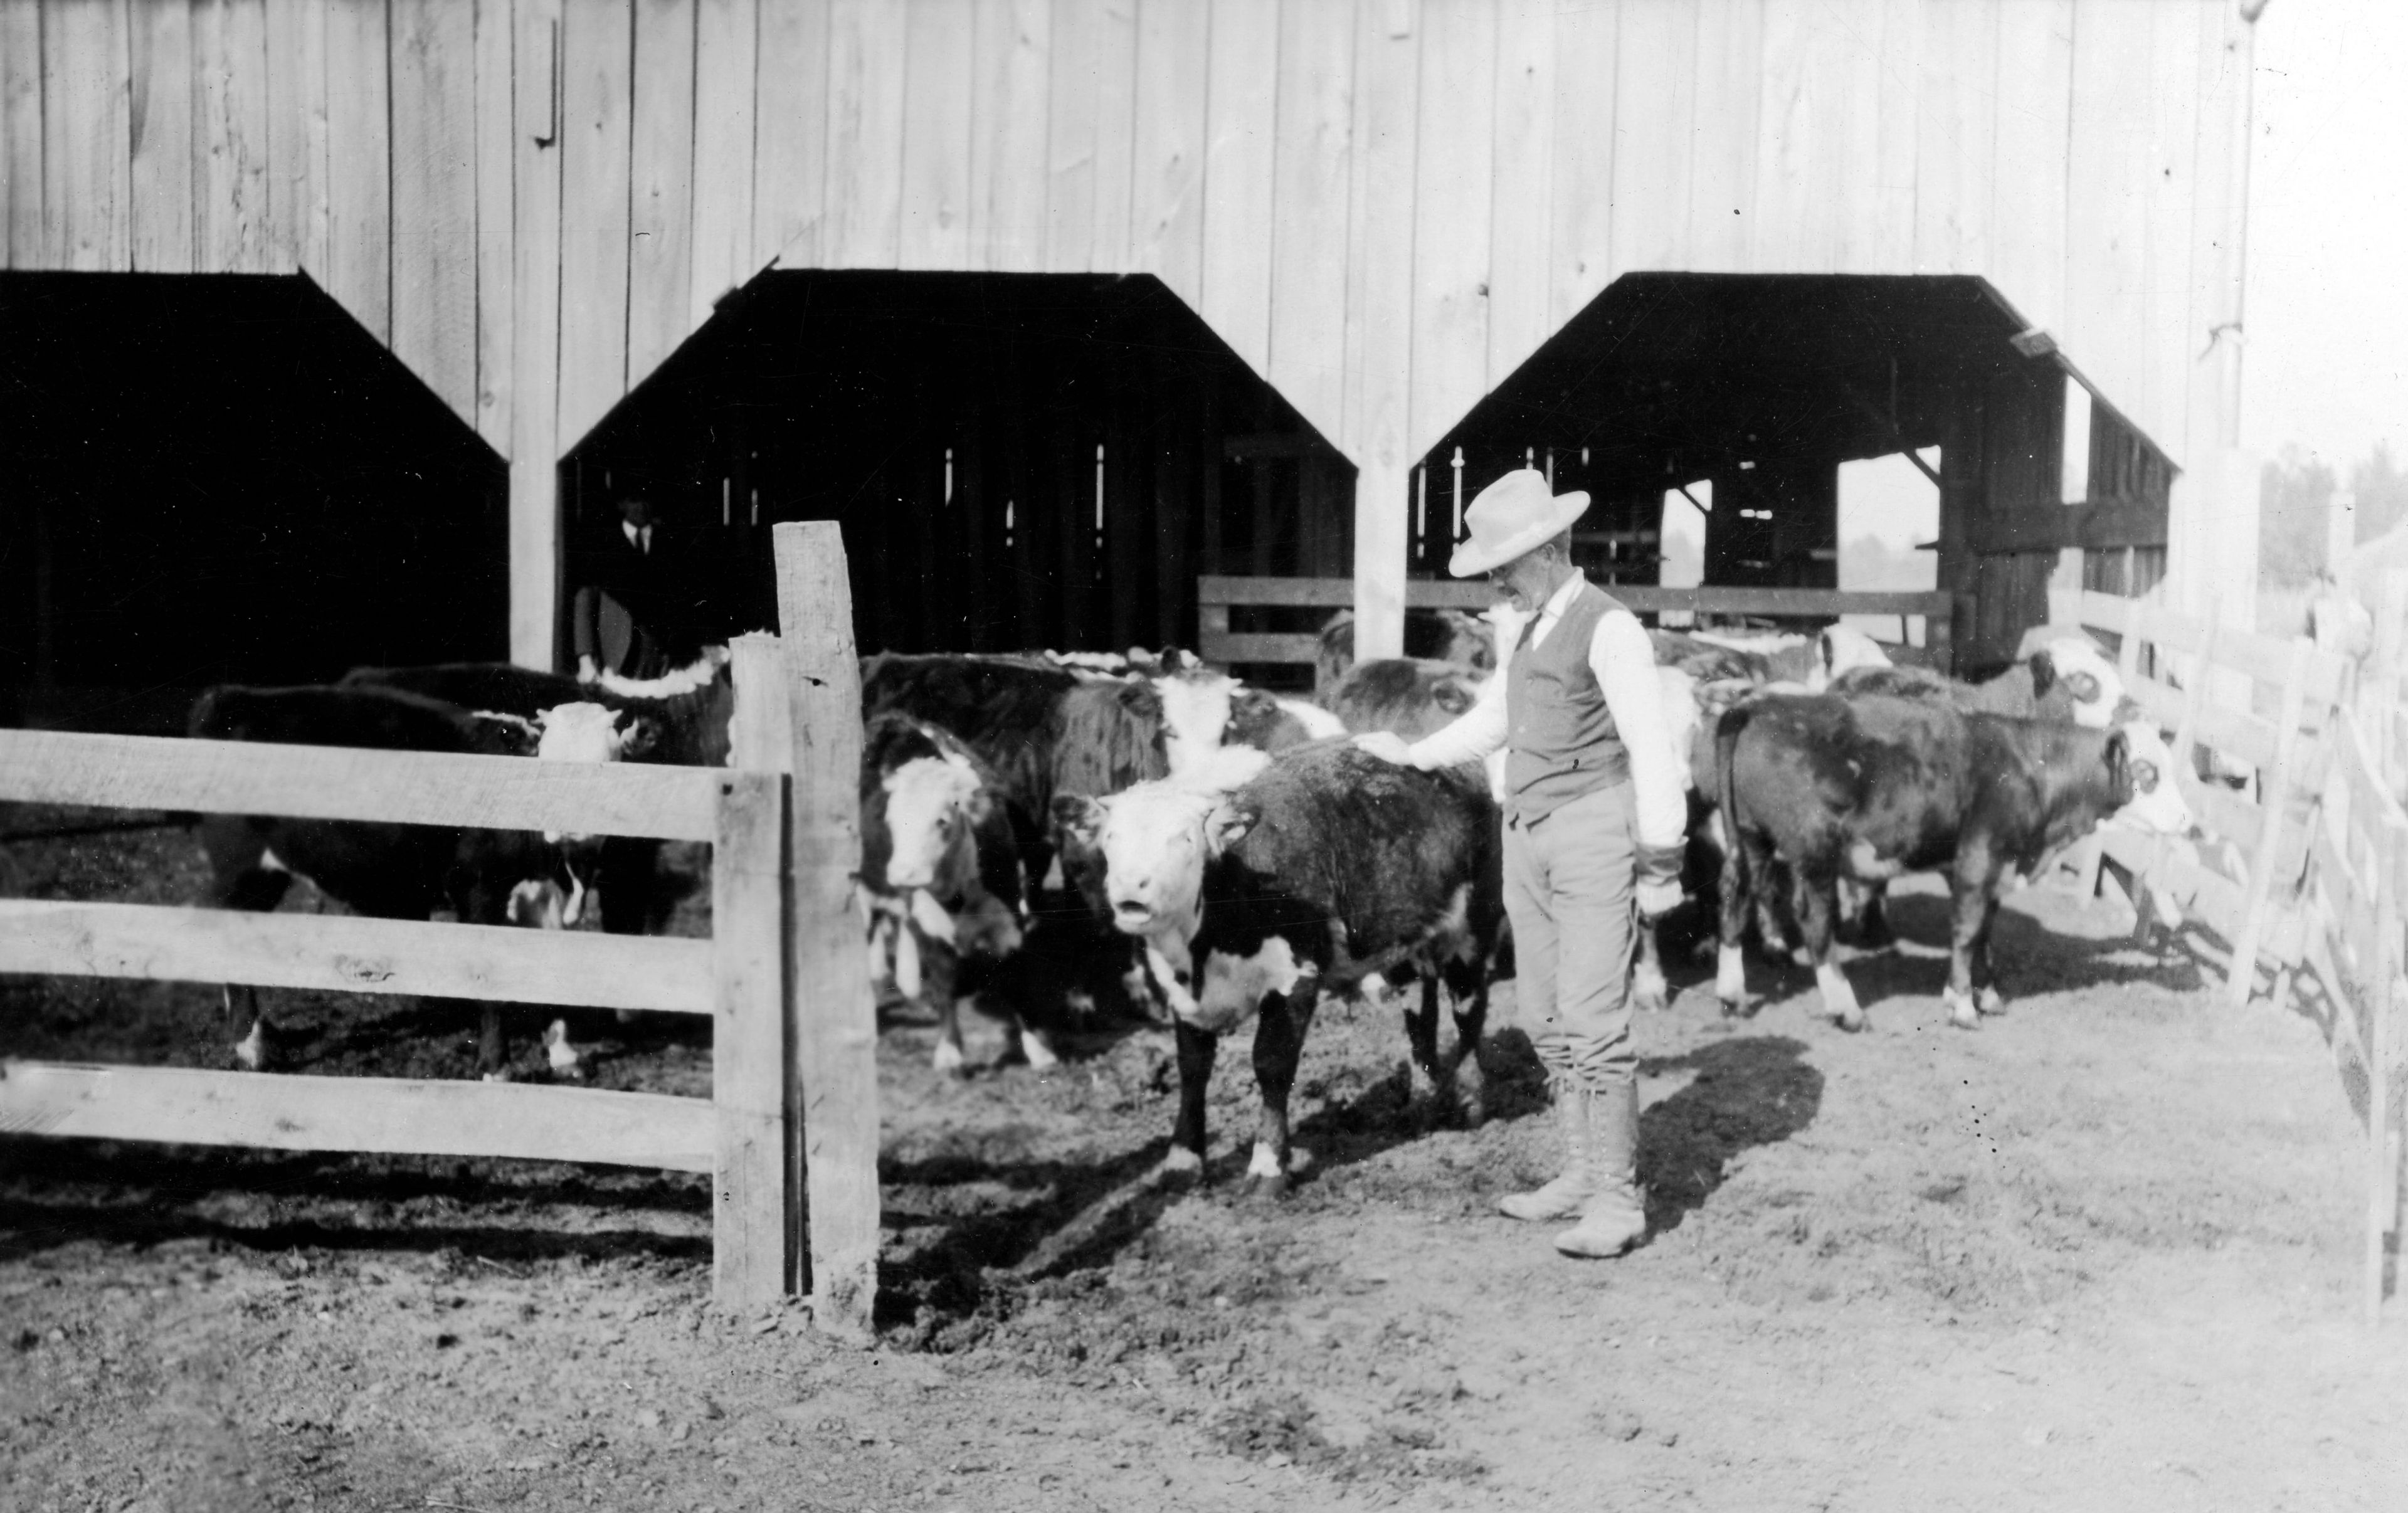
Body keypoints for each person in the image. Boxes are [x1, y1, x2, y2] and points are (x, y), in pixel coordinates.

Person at [1356, 469, 1687, 1260]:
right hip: (1528, 833)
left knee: (1594, 1017)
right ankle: (1579, 1172)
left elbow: (1651, 743)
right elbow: (1495, 722)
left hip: (1591, 829)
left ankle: (1617, 1198)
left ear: (1543, 550)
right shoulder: (1530, 630)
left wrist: (1661, 857)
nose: (1495, 578)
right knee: (1541, 1012)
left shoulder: (1610, 628)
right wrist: (1410, 754)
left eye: (1502, 563)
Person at [573, 488, 683, 682]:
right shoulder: (604, 544)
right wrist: (585, 660)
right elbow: (585, 599)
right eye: (634, 500)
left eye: (646, 500)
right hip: (615, 657)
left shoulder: (670, 543)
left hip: (659, 659)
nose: (640, 507)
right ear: (621, 504)